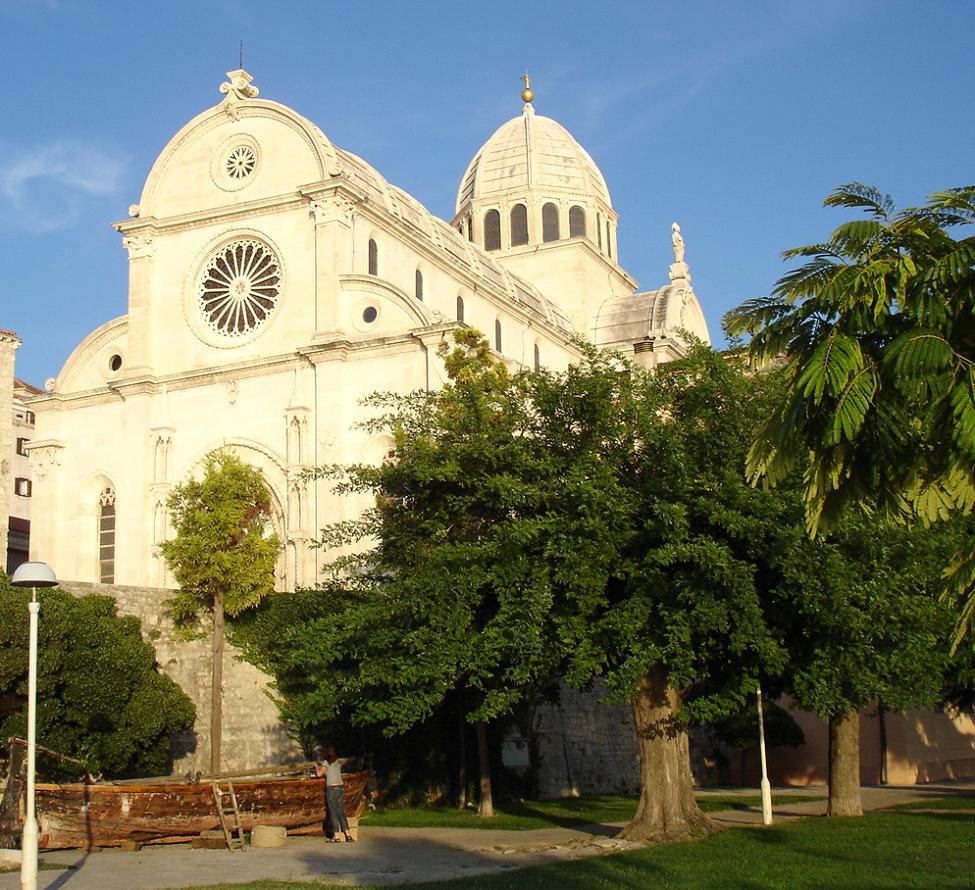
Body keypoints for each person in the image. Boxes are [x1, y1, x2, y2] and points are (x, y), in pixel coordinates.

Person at [314, 744, 354, 843]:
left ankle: (336, 836)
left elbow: (319, 774)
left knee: (333, 812)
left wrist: (316, 767)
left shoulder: (326, 763)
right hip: (340, 787)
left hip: (332, 788)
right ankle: (348, 835)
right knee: (341, 811)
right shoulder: (337, 761)